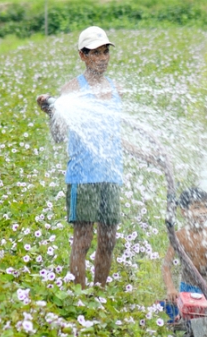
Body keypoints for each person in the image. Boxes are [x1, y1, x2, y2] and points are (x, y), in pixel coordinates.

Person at [36, 26, 162, 289]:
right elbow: (59, 136)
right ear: (82, 56)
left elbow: (115, 135)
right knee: (82, 240)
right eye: (95, 53)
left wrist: (147, 155)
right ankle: (80, 298)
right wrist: (50, 112)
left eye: (105, 52)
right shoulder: (71, 90)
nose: (102, 58)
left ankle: (100, 293)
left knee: (108, 240)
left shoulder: (116, 89)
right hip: (83, 176)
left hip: (111, 175)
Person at [162, 187, 207, 307]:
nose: (203, 211)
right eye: (197, 207)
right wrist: (171, 289)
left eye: (205, 206)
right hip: (187, 287)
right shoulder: (179, 237)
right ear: (184, 212)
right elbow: (166, 266)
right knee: (188, 315)